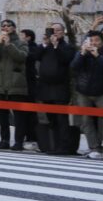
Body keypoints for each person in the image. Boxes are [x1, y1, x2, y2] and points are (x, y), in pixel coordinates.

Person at [70, 30, 103, 159]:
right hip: (83, 91)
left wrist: (98, 56)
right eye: (92, 40)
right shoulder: (82, 52)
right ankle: (94, 148)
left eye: (97, 41)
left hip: (102, 91)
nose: (94, 43)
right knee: (85, 120)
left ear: (102, 42)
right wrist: (82, 53)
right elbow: (73, 67)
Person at [33, 23, 77, 154]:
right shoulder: (46, 47)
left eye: (58, 30)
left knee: (61, 119)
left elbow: (66, 59)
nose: (55, 32)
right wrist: (45, 43)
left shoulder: (67, 47)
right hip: (45, 87)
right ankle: (54, 145)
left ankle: (64, 147)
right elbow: (35, 56)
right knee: (51, 119)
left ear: (63, 32)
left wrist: (57, 45)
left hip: (60, 87)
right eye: (53, 30)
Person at [0, 19, 31, 150]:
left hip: (16, 83)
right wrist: (0, 44)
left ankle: (18, 141)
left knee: (18, 116)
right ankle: (4, 140)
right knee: (2, 116)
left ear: (14, 28)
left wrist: (9, 45)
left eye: (8, 26)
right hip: (1, 84)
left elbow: (21, 57)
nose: (5, 28)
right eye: (3, 26)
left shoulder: (21, 43)